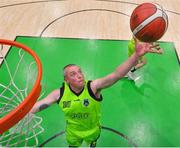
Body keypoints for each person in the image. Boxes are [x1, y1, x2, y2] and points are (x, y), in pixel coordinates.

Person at [30, 42, 161, 147]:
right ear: (66, 80)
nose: (79, 75)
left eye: (80, 71)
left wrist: (135, 55)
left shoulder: (93, 87)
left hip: (93, 131)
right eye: (73, 74)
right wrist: (20, 113)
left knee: (92, 145)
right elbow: (37, 106)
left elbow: (117, 74)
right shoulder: (59, 94)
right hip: (73, 133)